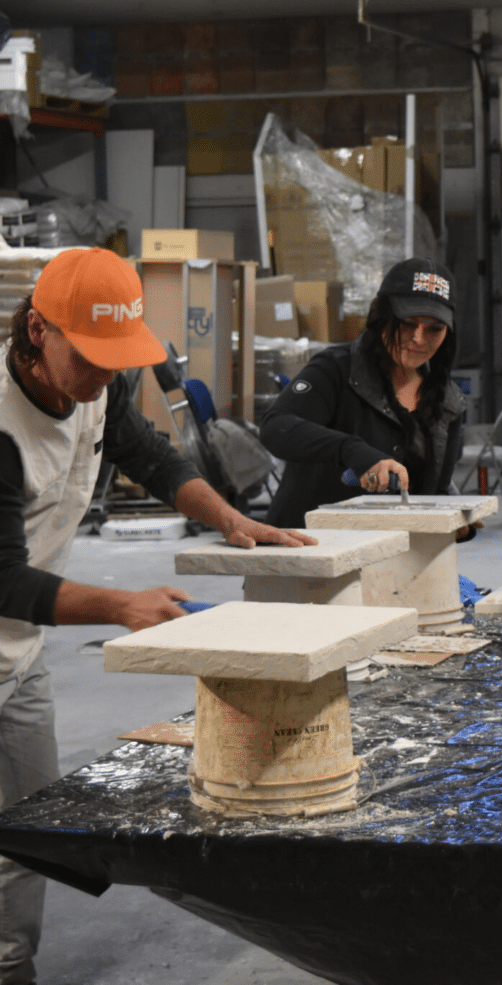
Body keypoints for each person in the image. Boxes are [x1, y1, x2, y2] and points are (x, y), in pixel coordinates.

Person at [0, 246, 315, 985]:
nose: (108, 375)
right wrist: (121, 603)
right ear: (38, 331)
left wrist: (235, 519)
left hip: (17, 656)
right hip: (10, 610)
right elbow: (3, 579)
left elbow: (154, 458)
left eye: (118, 360)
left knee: (28, 832)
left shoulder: (95, 388)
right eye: (93, 356)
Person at [261, 257, 469, 531]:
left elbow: (436, 491)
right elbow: (275, 427)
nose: (419, 338)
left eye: (435, 329)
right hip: (308, 544)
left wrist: (457, 524)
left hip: (389, 559)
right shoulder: (337, 369)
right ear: (382, 315)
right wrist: (351, 450)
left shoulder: (448, 402)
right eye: (408, 323)